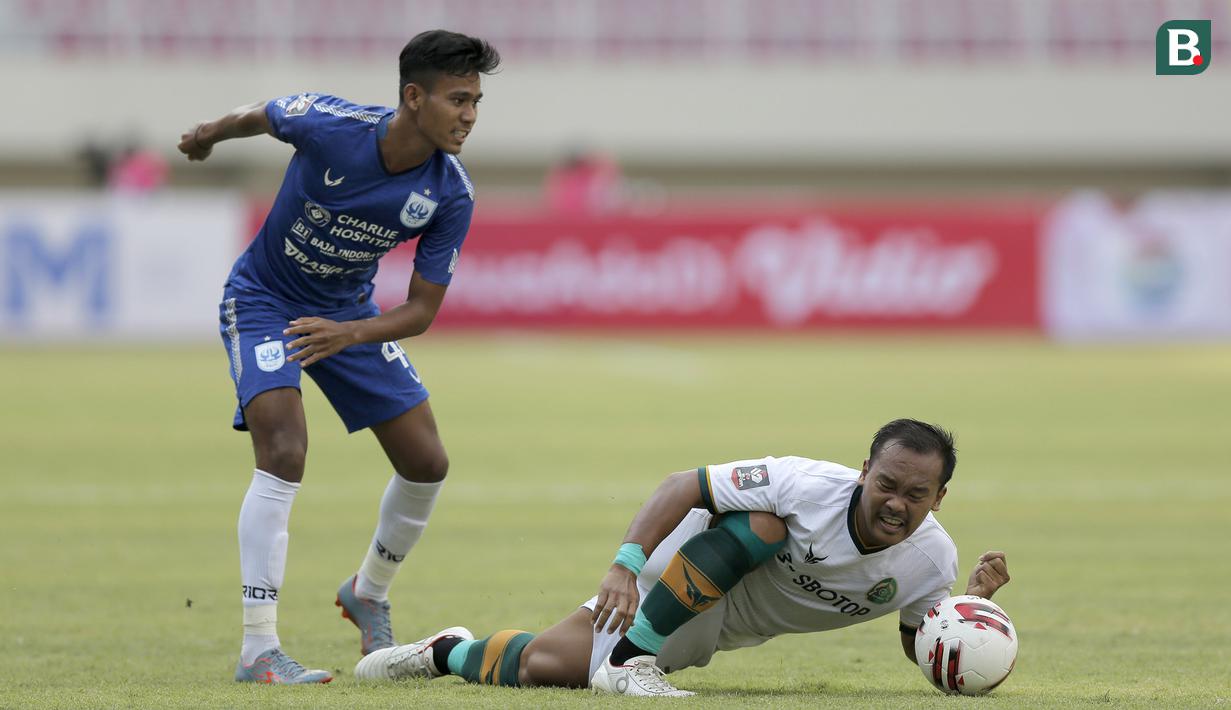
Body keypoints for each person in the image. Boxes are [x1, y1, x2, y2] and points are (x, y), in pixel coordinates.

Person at [176, 30, 500, 684]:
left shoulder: (449, 193)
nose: (469, 114)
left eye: (476, 101)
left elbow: (422, 311)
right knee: (285, 449)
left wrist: (346, 333)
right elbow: (259, 115)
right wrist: (207, 134)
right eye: (457, 99)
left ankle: (369, 592)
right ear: (414, 97)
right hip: (264, 297)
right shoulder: (331, 125)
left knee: (426, 461)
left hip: (345, 317)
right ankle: (258, 647)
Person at [353, 418, 1011, 696]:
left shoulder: (930, 564)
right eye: (885, 485)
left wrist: (967, 609)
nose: (895, 503)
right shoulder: (804, 485)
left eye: (914, 495)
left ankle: (443, 651)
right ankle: (630, 660)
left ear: (939, 498)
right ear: (864, 470)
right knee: (762, 525)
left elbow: (919, 646)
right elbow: (682, 485)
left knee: (539, 667)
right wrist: (622, 564)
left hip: (712, 624)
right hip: (683, 568)